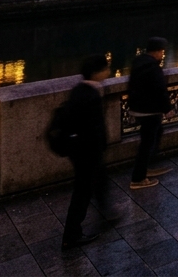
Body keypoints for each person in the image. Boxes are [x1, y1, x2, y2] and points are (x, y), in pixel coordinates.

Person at [63, 55, 115, 248]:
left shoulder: (79, 90)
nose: (108, 72)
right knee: (82, 193)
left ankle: (106, 213)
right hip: (87, 153)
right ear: (96, 72)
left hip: (80, 151)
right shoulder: (91, 95)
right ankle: (71, 235)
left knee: (98, 181)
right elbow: (93, 129)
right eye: (105, 69)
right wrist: (100, 146)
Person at [127, 37, 172, 190]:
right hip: (149, 111)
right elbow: (159, 90)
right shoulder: (153, 68)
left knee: (155, 134)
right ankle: (138, 178)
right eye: (162, 52)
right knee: (147, 143)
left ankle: (146, 167)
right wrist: (168, 109)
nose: (163, 55)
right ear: (158, 52)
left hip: (137, 108)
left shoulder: (138, 62)